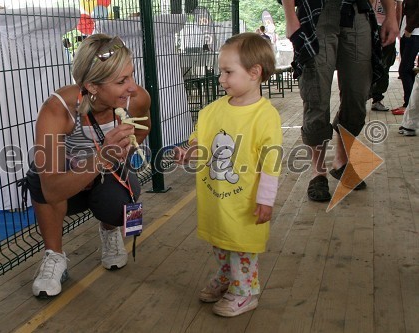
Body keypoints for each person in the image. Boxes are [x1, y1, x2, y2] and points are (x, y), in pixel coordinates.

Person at [26, 34, 151, 297]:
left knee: (121, 205)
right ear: (92, 86)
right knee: (39, 174)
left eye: (131, 75)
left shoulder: (137, 98)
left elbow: (143, 128)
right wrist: (100, 158)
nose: (132, 87)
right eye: (121, 81)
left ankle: (109, 230)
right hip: (64, 183)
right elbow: (51, 189)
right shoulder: (58, 108)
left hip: (104, 172)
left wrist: (121, 155)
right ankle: (55, 255)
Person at [174, 33, 282, 317]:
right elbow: (201, 142)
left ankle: (246, 291)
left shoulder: (265, 116)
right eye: (220, 71)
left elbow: (272, 163)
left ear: (254, 72)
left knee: (242, 245)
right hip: (217, 198)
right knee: (221, 241)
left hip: (245, 201)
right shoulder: (212, 111)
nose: (220, 78)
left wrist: (266, 200)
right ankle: (227, 278)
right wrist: (190, 152)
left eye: (227, 72)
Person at [280, 0, 399, 202]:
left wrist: (391, 15)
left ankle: (340, 163)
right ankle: (318, 173)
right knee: (315, 94)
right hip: (318, 11)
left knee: (358, 95)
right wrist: (290, 15)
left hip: (358, 11)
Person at [370, 0, 403, 112]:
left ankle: (377, 98)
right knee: (366, 63)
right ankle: (364, 97)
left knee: (384, 65)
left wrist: (396, 27)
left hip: (386, 26)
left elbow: (398, 9)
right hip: (372, 25)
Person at [391, 0, 419, 115]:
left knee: (404, 69)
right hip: (406, 33)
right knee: (407, 70)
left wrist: (409, 28)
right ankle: (409, 104)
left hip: (414, 33)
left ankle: (409, 105)